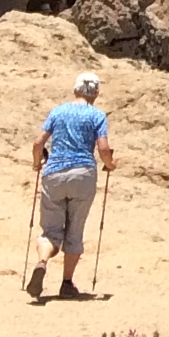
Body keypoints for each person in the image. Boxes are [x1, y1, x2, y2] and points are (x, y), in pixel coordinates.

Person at [28, 71, 116, 300]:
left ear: (75, 90)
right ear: (95, 93)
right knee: (75, 230)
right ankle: (67, 283)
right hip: (83, 174)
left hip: (54, 173)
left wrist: (37, 164)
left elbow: (38, 143)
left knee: (50, 230)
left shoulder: (58, 112)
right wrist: (111, 165)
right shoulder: (97, 116)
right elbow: (104, 149)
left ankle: (42, 262)